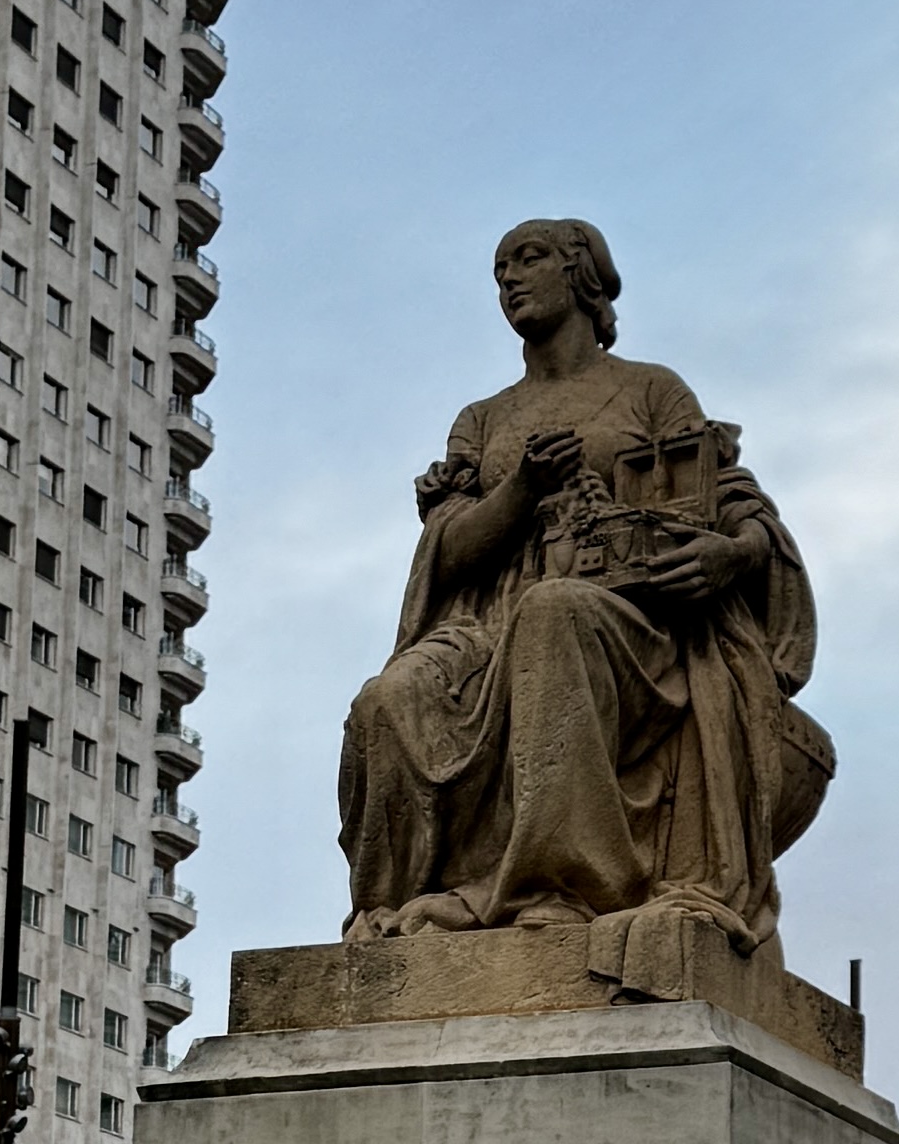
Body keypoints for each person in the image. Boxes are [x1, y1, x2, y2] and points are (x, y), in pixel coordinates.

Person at [338, 216, 832, 941]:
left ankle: (559, 885)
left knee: (555, 613)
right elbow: (446, 552)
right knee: (389, 698)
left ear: (581, 275)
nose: (508, 277)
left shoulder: (651, 391)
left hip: (633, 621)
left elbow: (734, 503)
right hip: (484, 626)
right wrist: (522, 488)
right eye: (499, 267)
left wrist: (736, 554)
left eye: (528, 258)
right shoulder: (482, 419)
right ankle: (387, 906)